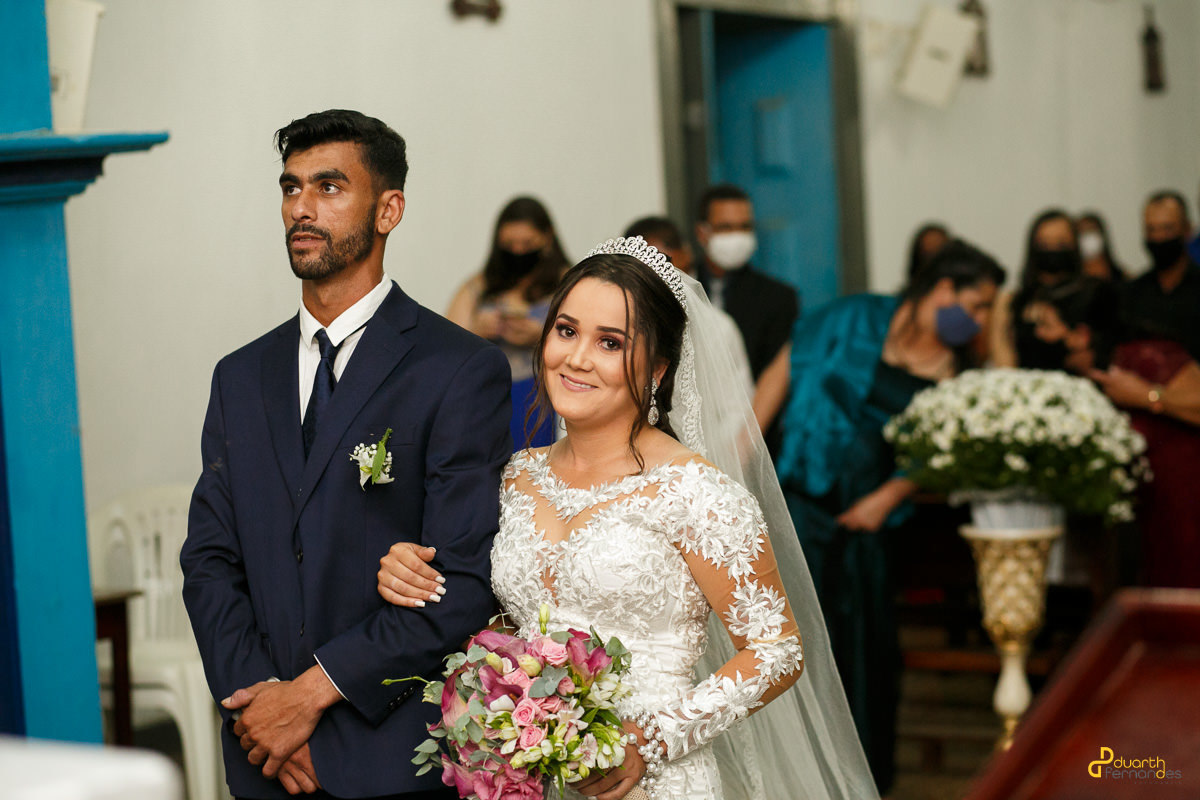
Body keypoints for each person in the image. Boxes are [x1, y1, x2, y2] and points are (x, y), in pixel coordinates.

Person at [377, 237, 879, 800]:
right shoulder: (515, 476)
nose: (576, 358)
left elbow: (776, 651)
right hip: (532, 777)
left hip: (653, 779)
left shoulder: (697, 493)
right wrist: (409, 570)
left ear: (658, 368)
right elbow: (490, 611)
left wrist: (651, 739)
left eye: (610, 342)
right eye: (566, 330)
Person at [181, 110, 512, 800]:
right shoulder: (239, 377)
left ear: (388, 210)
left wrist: (310, 695)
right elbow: (210, 560)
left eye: (329, 187)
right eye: (291, 187)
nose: (301, 208)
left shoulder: (457, 368)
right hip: (264, 756)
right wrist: (261, 704)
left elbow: (461, 578)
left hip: (389, 756)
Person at [776, 240, 1005, 795]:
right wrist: (737, 476)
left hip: (866, 523)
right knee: (788, 643)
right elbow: (777, 385)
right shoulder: (854, 316)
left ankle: (857, 780)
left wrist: (887, 498)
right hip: (800, 504)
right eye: (977, 305)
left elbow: (964, 440)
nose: (979, 320)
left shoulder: (958, 371)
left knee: (862, 653)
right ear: (943, 289)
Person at [1031, 278, 1200, 588]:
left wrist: (1148, 396)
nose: (1037, 335)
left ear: (1081, 335)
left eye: (1046, 325)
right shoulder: (1075, 378)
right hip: (1137, 519)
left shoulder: (1144, 356)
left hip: (1183, 506)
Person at [446, 196, 570, 448]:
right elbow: (445, 346)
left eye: (527, 244)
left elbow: (588, 339)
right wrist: (476, 331)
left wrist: (542, 335)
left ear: (547, 238)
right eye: (510, 245)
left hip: (545, 395)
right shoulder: (479, 286)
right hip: (487, 396)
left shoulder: (569, 281)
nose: (518, 252)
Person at [693, 184, 798, 453]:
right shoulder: (685, 286)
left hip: (755, 435)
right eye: (726, 228)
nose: (736, 236)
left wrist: (745, 445)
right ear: (703, 233)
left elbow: (776, 377)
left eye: (745, 227)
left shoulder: (778, 298)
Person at [623, 216, 756, 425]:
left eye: (684, 272)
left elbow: (737, 410)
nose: (678, 286)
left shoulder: (720, 327)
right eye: (663, 277)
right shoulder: (615, 327)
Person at [991, 209, 1082, 368]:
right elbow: (1003, 361)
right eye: (1044, 244)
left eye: (1061, 244)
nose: (1052, 250)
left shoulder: (1093, 296)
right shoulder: (1012, 302)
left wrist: (1064, 334)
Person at [1120, 190, 1200, 362]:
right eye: (1151, 229)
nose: (1159, 237)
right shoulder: (1133, 292)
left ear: (1187, 229)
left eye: (1167, 228)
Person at [1076, 211, 1127, 282]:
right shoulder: (1074, 279)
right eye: (1082, 232)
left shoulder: (1122, 276)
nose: (1088, 237)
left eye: (1091, 230)